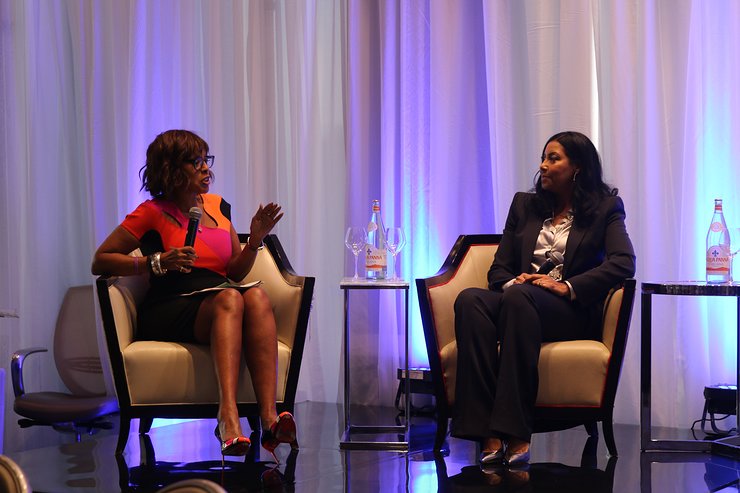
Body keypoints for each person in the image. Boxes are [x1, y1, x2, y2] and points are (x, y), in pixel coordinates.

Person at [92, 129, 297, 460]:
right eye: (196, 161)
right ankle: (228, 416)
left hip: (217, 296)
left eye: (206, 159)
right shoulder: (151, 212)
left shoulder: (217, 206)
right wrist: (156, 261)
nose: (206, 168)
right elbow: (100, 260)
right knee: (231, 299)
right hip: (170, 303)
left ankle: (270, 419)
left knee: (255, 297)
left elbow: (234, 272)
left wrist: (256, 240)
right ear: (172, 169)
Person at [450, 131, 636, 467]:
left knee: (522, 298)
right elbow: (499, 270)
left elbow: (623, 262)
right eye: (543, 158)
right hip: (519, 301)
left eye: (553, 158)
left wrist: (566, 287)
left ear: (577, 167)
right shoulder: (525, 205)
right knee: (470, 300)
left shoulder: (605, 208)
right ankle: (484, 433)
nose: (543, 166)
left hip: (568, 311)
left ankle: (515, 430)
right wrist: (516, 281)